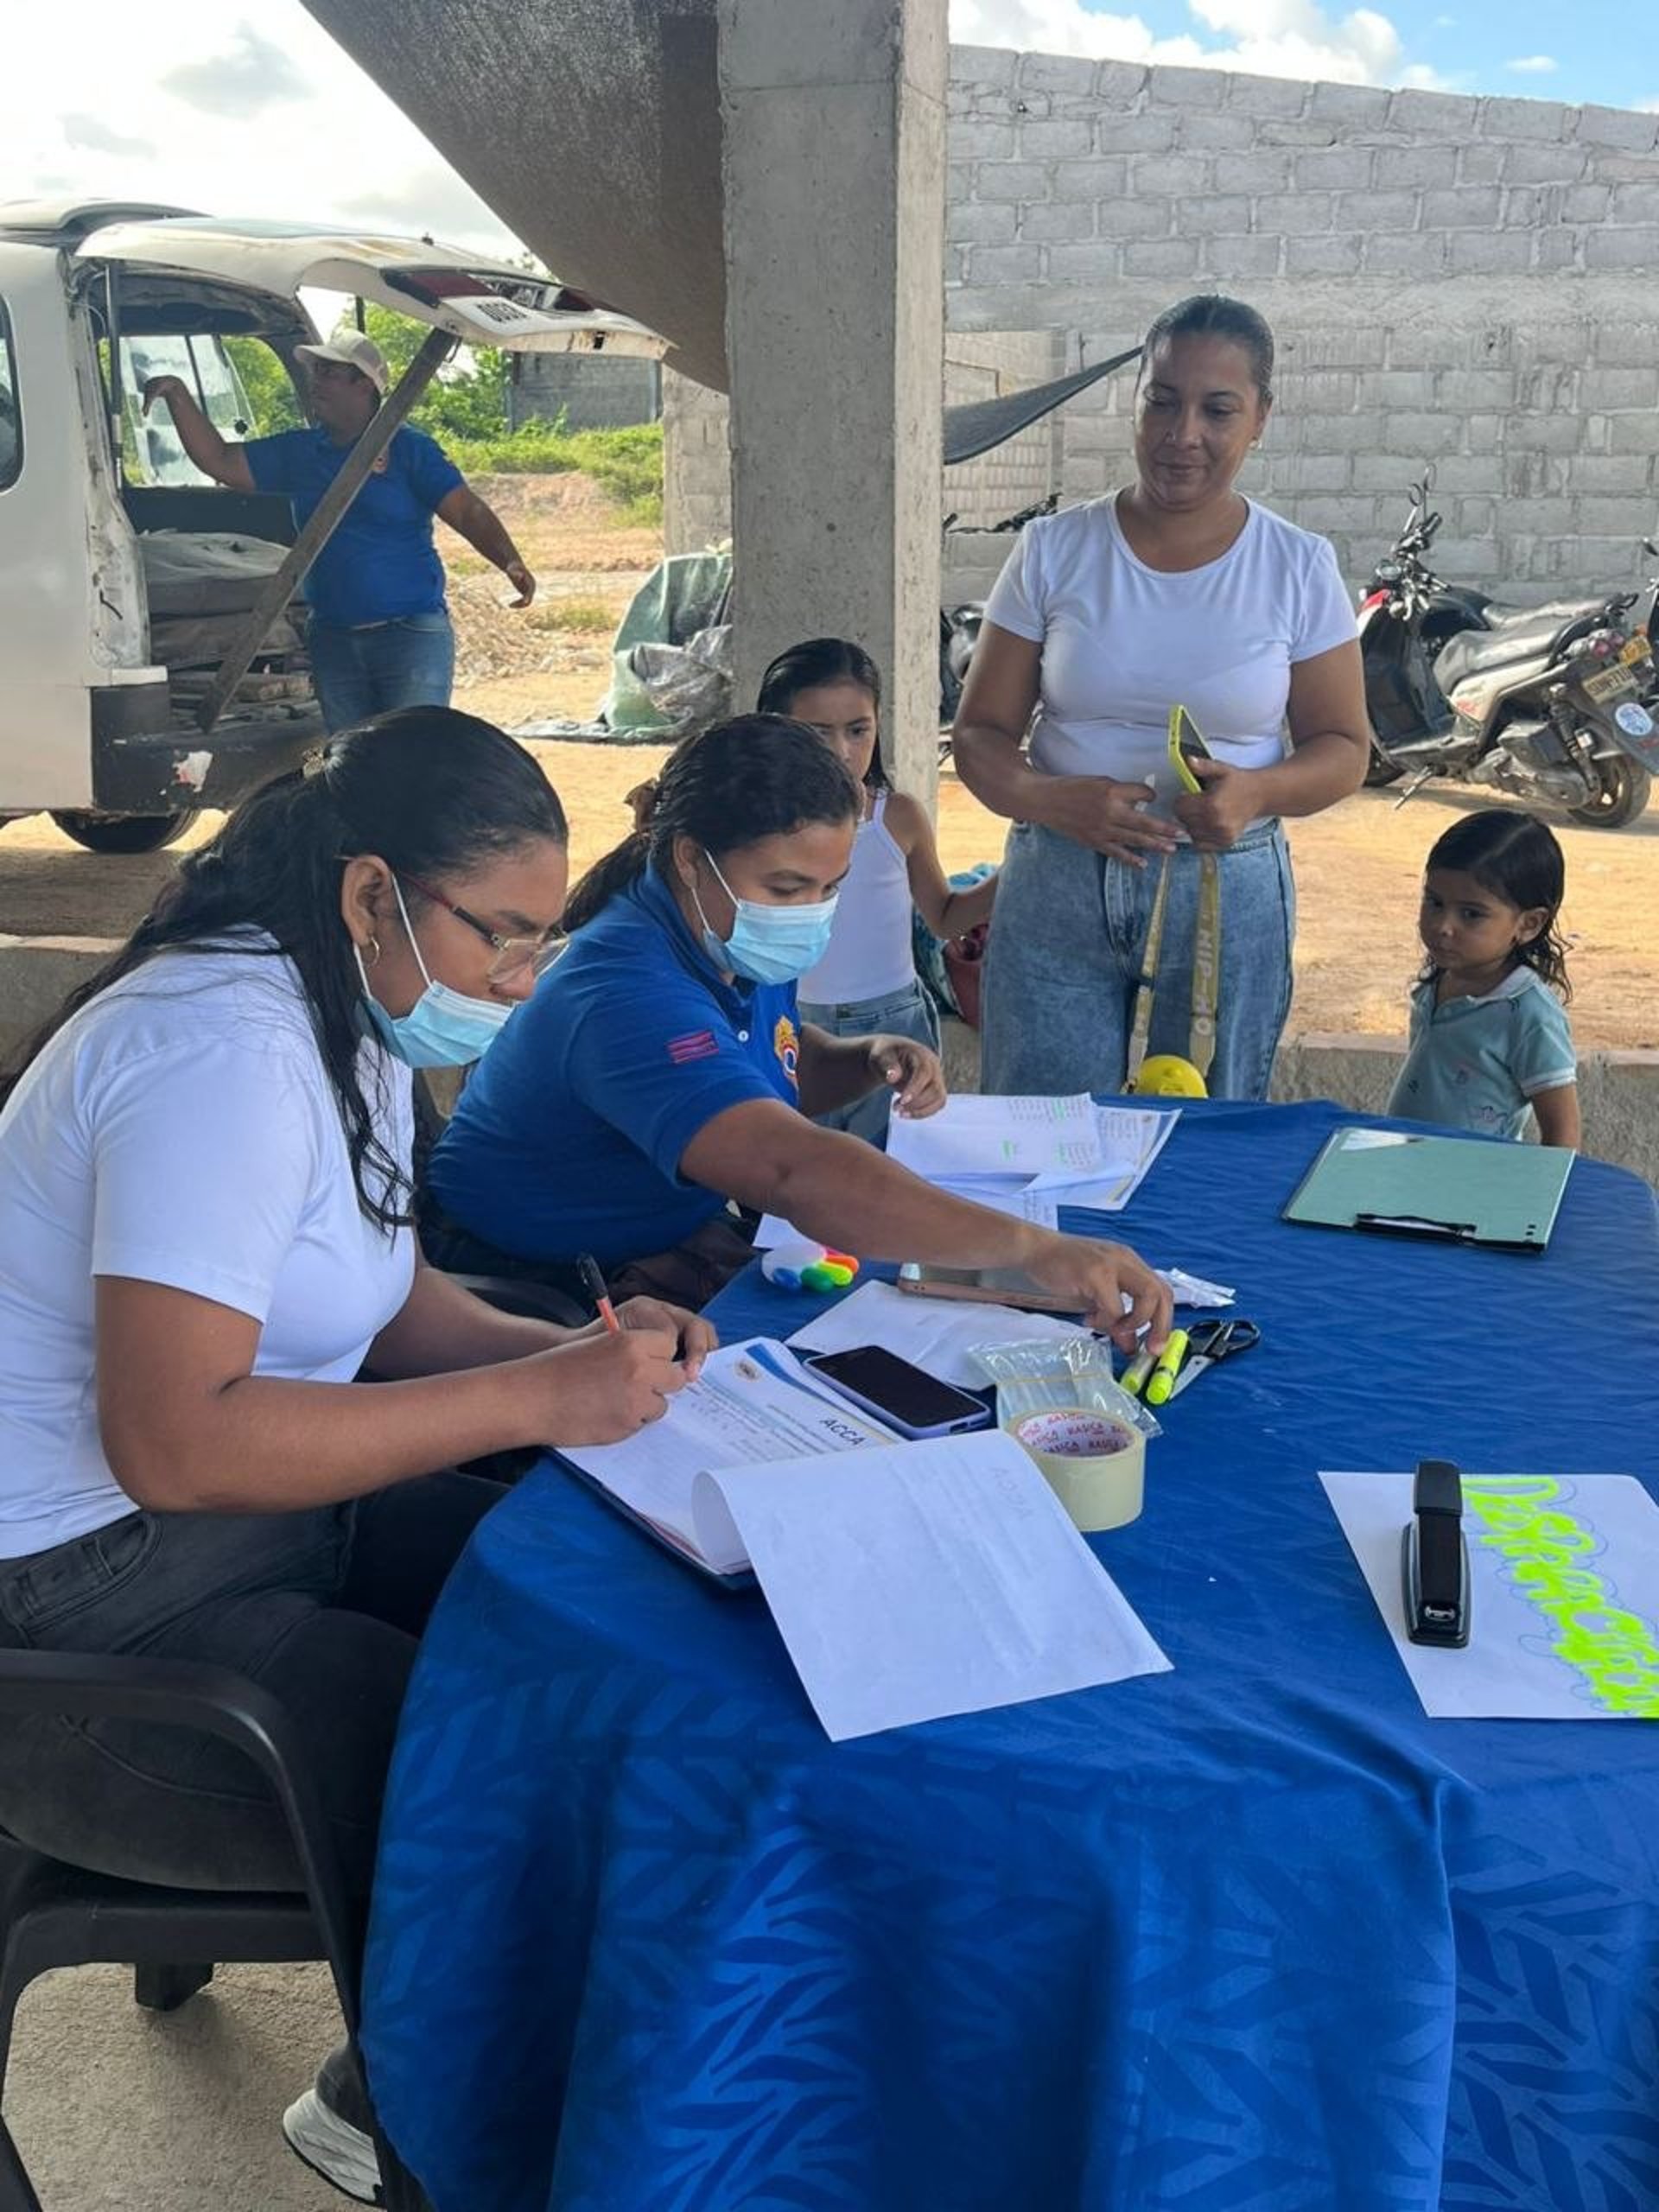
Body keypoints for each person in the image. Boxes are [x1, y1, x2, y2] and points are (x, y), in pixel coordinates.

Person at [0, 707, 712, 2203]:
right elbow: (176, 1441)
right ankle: (422, 2132)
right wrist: (541, 1406)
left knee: (608, 1626)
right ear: (370, 891)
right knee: (520, 1773)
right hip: (84, 1616)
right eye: (504, 940)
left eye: (541, 942)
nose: (522, 985)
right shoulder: (224, 1052)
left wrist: (581, 1367)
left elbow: (384, 1302)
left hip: (247, 1534)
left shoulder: (350, 1019)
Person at [425, 715, 1172, 1335]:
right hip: (535, 1279)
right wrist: (1034, 1248)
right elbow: (793, 1168)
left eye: (829, 887)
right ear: (690, 859)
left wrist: (860, 1057)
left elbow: (761, 1066)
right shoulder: (624, 992)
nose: (810, 909)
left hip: (656, 1235)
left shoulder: (726, 931)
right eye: (787, 885)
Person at [953, 293, 1372, 1101]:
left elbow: (1344, 750)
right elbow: (979, 734)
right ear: (1135, 401)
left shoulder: (1298, 566)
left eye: (1219, 410)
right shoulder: (1054, 548)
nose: (1185, 435)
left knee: (1201, 1140)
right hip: (1057, 885)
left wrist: (1258, 793)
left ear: (1261, 420)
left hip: (1225, 884)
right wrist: (1048, 800)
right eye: (1163, 401)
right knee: (1040, 1138)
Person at [142, 329, 537, 732]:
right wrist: (177, 394)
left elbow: (466, 510)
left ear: (364, 384)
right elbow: (220, 460)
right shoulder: (300, 453)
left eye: (328, 372)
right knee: (349, 764)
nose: (315, 381)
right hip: (334, 640)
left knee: (412, 756)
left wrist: (509, 560)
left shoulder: (410, 450)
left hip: (409, 637)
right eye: (316, 371)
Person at [758, 637, 997, 1143]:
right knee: (801, 1172)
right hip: (792, 1025)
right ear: (775, 732)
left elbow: (944, 917)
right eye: (816, 732)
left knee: (896, 1163)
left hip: (895, 1022)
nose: (841, 751)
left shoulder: (897, 818)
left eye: (857, 730)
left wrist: (1016, 876)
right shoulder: (754, 830)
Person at [1388, 810, 1580, 1147]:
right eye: (1434, 902)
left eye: (1471, 914)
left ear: (1528, 924)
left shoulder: (1529, 1015)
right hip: (1409, 1168)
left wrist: (1542, 1198)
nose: (1443, 926)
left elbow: (1563, 1132)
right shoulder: (1441, 978)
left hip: (1477, 1185)